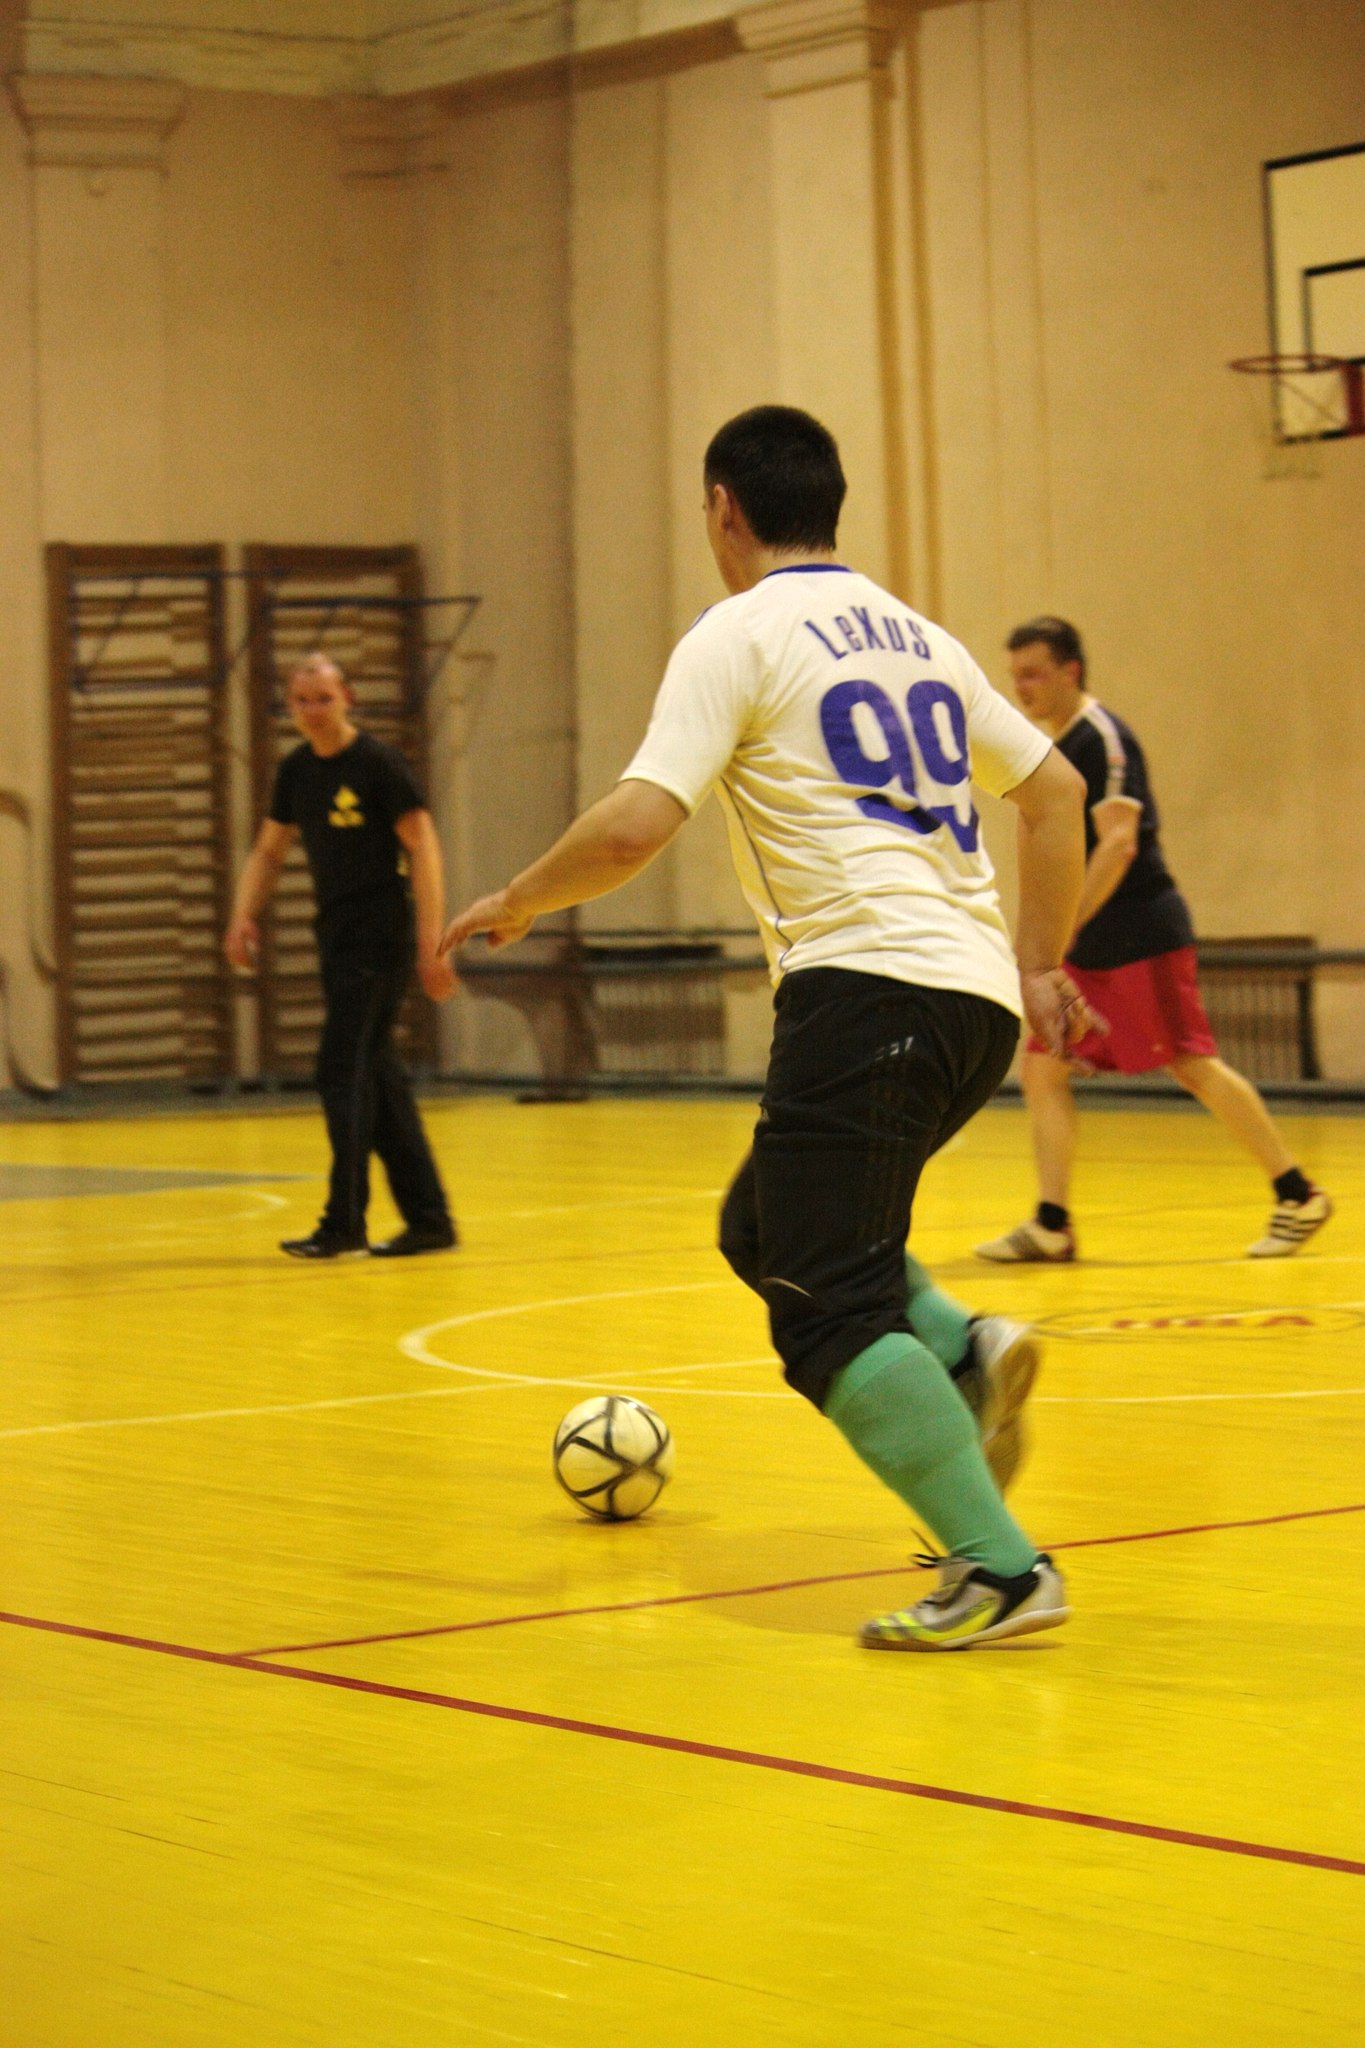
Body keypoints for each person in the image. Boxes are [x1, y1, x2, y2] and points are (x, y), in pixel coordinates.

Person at [441, 406, 1097, 1652]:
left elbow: (636, 826)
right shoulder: (921, 635)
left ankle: (1003, 1568)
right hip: (972, 1005)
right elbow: (1057, 790)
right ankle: (962, 1350)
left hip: (867, 993)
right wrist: (1041, 962)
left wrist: (521, 896)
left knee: (825, 1308)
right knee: (765, 1226)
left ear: (723, 507)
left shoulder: (735, 634)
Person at [975, 617, 1332, 1264]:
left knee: (1190, 1063)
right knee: (1042, 1067)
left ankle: (1297, 1193)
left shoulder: (1103, 739)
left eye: (1032, 674)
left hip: (1139, 933)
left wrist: (1062, 929)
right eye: (1014, 675)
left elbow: (1117, 844)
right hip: (1088, 944)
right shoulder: (1056, 747)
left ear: (1069, 671)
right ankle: (1051, 1223)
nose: (1020, 687)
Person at [225, 652, 459, 1259]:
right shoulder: (298, 770)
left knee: (340, 1069)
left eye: (324, 698)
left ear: (348, 698)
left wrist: (432, 942)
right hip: (336, 939)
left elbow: (423, 847)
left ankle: (343, 1221)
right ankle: (430, 1219)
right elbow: (270, 850)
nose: (313, 710)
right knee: (378, 1075)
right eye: (301, 700)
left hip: (380, 939)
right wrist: (243, 914)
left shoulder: (378, 764)